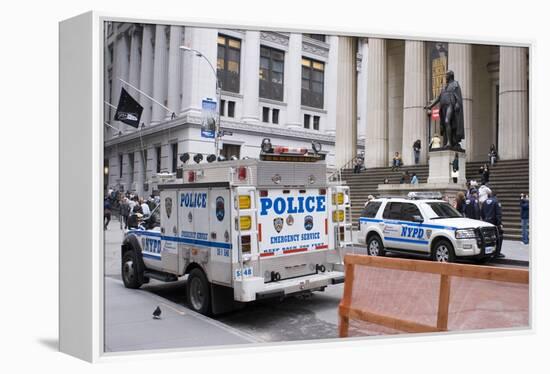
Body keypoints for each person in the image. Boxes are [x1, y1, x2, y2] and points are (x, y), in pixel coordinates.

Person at [424, 70, 465, 148]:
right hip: (443, 107)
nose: (445, 76)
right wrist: (430, 106)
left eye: (446, 75)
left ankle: (449, 142)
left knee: (447, 121)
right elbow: (438, 98)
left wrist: (457, 103)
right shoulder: (445, 86)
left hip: (450, 105)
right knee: (445, 124)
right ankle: (447, 141)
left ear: (450, 75)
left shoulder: (455, 84)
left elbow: (458, 96)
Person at [481, 192, 504, 258]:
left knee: (488, 238)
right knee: (499, 237)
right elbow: (498, 214)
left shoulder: (484, 202)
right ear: (495, 196)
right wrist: (499, 224)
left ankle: (488, 252)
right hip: (494, 223)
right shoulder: (496, 202)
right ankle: (497, 253)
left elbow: (481, 212)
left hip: (486, 222)